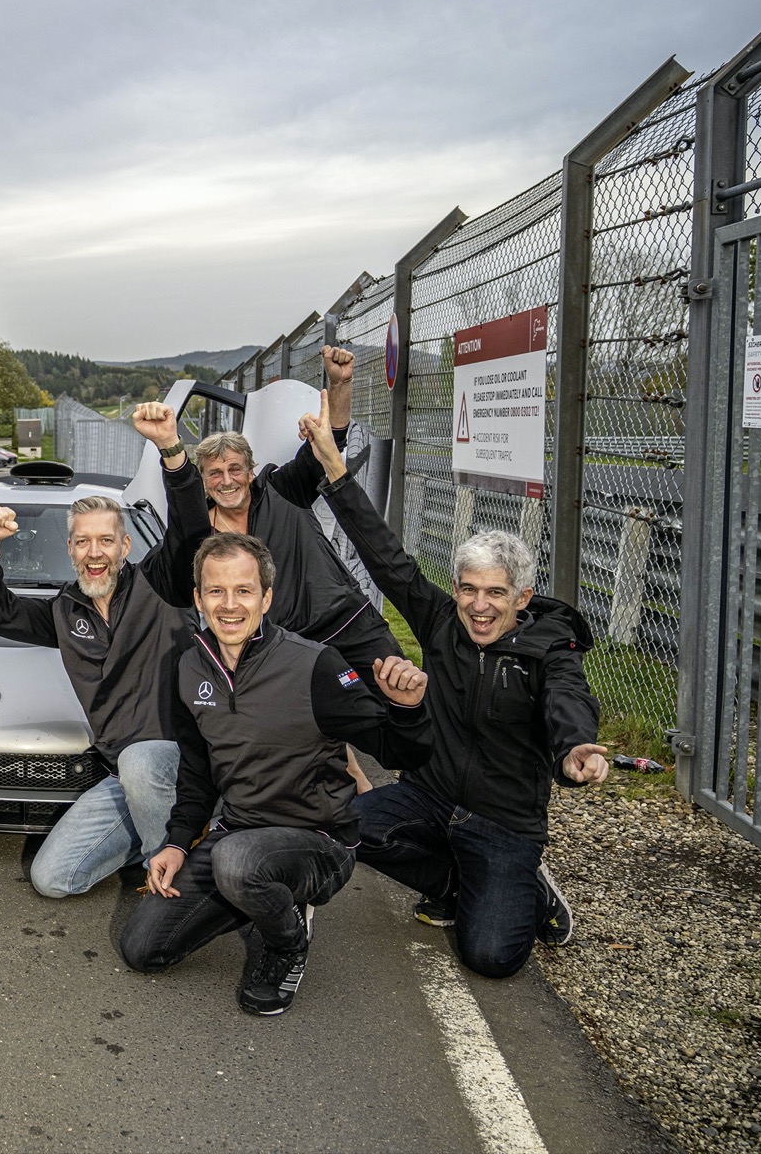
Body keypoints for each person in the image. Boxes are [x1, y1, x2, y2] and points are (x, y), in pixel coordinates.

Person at [300, 396, 607, 977]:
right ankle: (451, 878)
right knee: (348, 824)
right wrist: (337, 476)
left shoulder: (550, 649)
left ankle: (529, 888)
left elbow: (569, 698)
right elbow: (387, 560)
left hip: (504, 819)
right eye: (469, 589)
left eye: (495, 593)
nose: (479, 606)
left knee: (490, 957)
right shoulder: (442, 620)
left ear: (521, 598)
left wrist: (576, 747)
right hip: (432, 795)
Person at [118, 532, 432, 1016]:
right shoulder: (187, 668)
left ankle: (286, 941)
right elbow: (198, 775)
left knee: (239, 863)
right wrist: (177, 843)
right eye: (216, 591)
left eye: (243, 590)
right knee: (143, 949)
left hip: (319, 840)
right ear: (198, 598)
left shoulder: (316, 666)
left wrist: (407, 709)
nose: (229, 605)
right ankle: (259, 898)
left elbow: (399, 751)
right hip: (239, 833)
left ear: (266, 597)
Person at [133, 344, 400, 788]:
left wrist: (340, 384)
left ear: (251, 471)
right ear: (203, 481)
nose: (226, 480)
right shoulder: (200, 537)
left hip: (343, 621)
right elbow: (158, 575)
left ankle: (434, 801)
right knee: (315, 724)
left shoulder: (282, 490)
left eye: (235, 469)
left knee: (399, 706)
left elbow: (326, 442)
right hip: (281, 650)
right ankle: (356, 792)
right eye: (214, 473)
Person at [0, 496, 192, 899]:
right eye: (83, 541)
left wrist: (170, 451)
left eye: (106, 540)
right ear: (70, 548)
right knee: (52, 878)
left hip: (183, 764)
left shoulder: (162, 586)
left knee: (140, 760)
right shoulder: (65, 611)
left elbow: (189, 531)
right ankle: (169, 832)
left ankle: (170, 878)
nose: (95, 553)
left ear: (125, 547)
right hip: (124, 777)